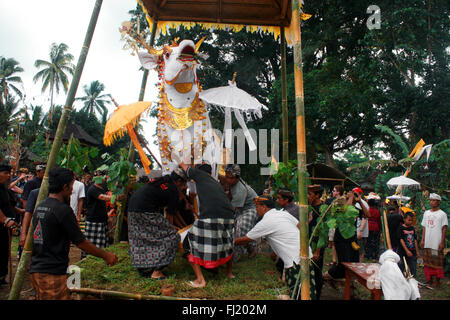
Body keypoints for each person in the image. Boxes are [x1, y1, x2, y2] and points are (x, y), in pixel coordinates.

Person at [29, 167, 118, 300]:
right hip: (52, 272)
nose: (72, 190)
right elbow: (81, 242)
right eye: (71, 186)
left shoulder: (40, 206)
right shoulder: (63, 210)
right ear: (64, 187)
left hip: (37, 269)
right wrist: (106, 255)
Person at [234, 196, 316, 300]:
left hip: (296, 261)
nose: (256, 210)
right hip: (306, 254)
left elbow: (245, 239)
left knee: (299, 294)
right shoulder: (283, 214)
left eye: (257, 207)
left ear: (264, 207)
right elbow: (299, 226)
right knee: (307, 292)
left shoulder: (266, 221)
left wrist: (227, 243)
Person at [180, 163, 235, 288]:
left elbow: (184, 165)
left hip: (211, 218)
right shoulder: (216, 183)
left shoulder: (200, 175)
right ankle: (229, 273)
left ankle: (200, 280)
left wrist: (177, 155)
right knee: (227, 243)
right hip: (229, 217)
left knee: (188, 244)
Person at [127, 169, 186, 280]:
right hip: (145, 211)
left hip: (132, 209)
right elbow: (170, 215)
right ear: (178, 181)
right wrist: (171, 229)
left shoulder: (162, 180)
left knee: (142, 237)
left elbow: (173, 213)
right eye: (183, 184)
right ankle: (156, 272)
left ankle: (144, 268)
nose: (184, 187)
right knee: (172, 237)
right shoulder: (172, 189)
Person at [323, 191, 364, 283]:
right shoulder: (339, 208)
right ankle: (328, 275)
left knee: (353, 261)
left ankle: (349, 281)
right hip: (341, 239)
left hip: (352, 239)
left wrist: (360, 202)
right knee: (344, 262)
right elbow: (346, 210)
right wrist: (350, 198)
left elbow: (367, 215)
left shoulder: (355, 209)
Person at [224, 164, 258, 262]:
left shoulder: (240, 190)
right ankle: (251, 249)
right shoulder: (232, 183)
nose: (227, 180)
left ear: (237, 178)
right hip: (241, 208)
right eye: (226, 176)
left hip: (252, 209)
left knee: (240, 227)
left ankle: (235, 255)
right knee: (236, 225)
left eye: (230, 178)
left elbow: (232, 210)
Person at [83, 171, 120, 258]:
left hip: (101, 220)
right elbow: (103, 198)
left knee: (101, 245)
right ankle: (88, 260)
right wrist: (116, 197)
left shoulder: (101, 189)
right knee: (92, 245)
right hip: (93, 220)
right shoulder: (92, 189)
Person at [420, 193, 448, 288]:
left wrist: (442, 242)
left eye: (434, 200)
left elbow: (444, 228)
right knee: (427, 261)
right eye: (431, 200)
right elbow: (424, 227)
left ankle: (437, 281)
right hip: (428, 242)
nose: (432, 202)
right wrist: (423, 240)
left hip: (436, 243)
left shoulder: (442, 214)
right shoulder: (426, 213)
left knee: (436, 262)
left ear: (438, 202)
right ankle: (429, 279)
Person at [0, 164, 19, 285]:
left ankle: (1, 275)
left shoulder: (4, 188)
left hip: (5, 227)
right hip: (3, 224)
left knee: (4, 250)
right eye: (6, 173)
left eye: (9, 173)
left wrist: (20, 211)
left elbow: (9, 205)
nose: (8, 176)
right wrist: (5, 220)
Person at [307, 184, 325, 299]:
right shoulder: (308, 207)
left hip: (317, 244)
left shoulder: (323, 209)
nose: (307, 196)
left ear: (317, 195)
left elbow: (323, 232)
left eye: (310, 194)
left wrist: (318, 250)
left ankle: (316, 295)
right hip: (307, 242)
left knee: (316, 271)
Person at [398, 212, 421, 277]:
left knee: (413, 267)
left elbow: (415, 240)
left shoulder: (412, 228)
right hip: (403, 252)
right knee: (401, 266)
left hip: (412, 251)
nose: (410, 222)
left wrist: (417, 251)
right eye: (409, 220)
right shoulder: (401, 228)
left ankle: (413, 280)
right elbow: (401, 240)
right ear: (404, 219)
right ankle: (400, 279)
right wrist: (407, 251)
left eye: (412, 220)